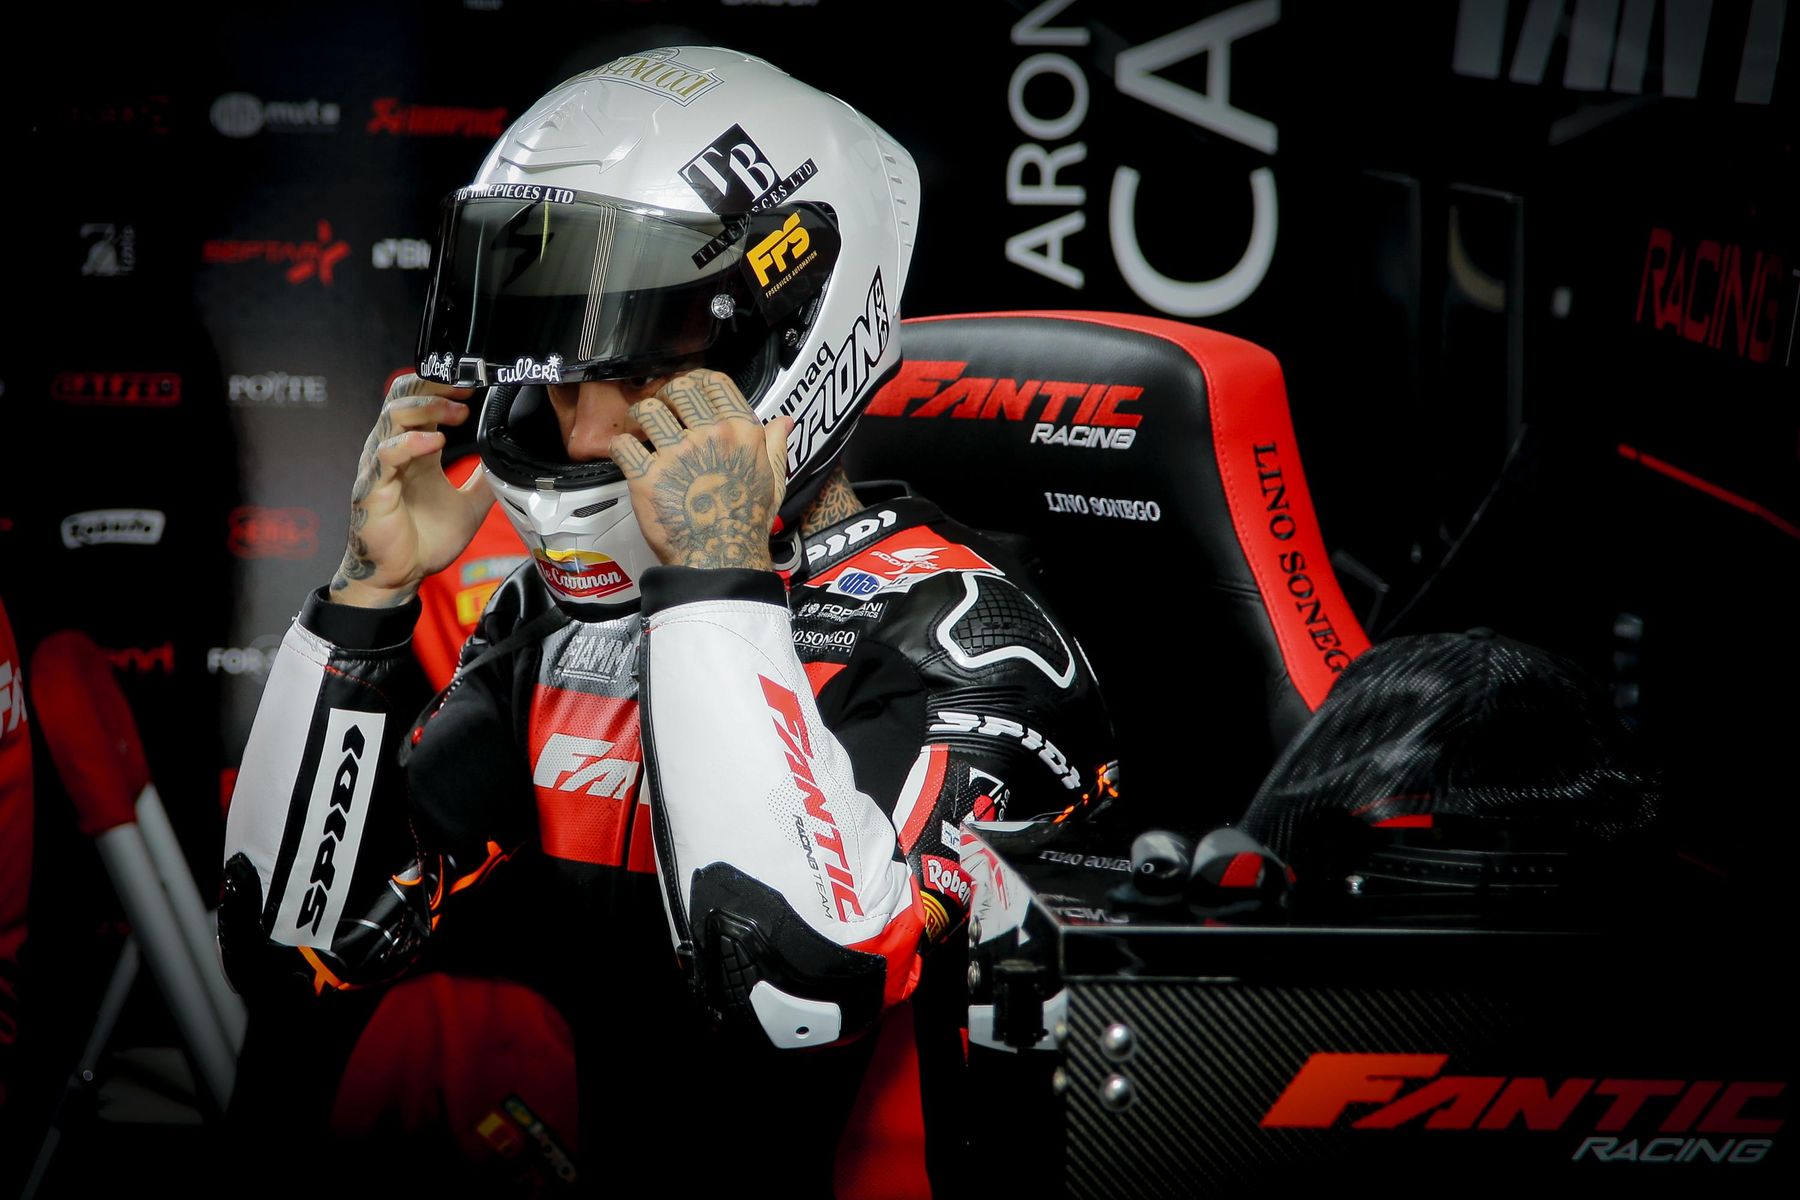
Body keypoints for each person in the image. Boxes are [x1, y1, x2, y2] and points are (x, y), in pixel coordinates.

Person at [219, 46, 1113, 1194]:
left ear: (787, 340)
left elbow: (794, 988)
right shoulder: (561, 628)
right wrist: (365, 600)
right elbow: (301, 948)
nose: (582, 431)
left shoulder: (975, 650)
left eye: (640, 375)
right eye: (555, 371)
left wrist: (714, 579)